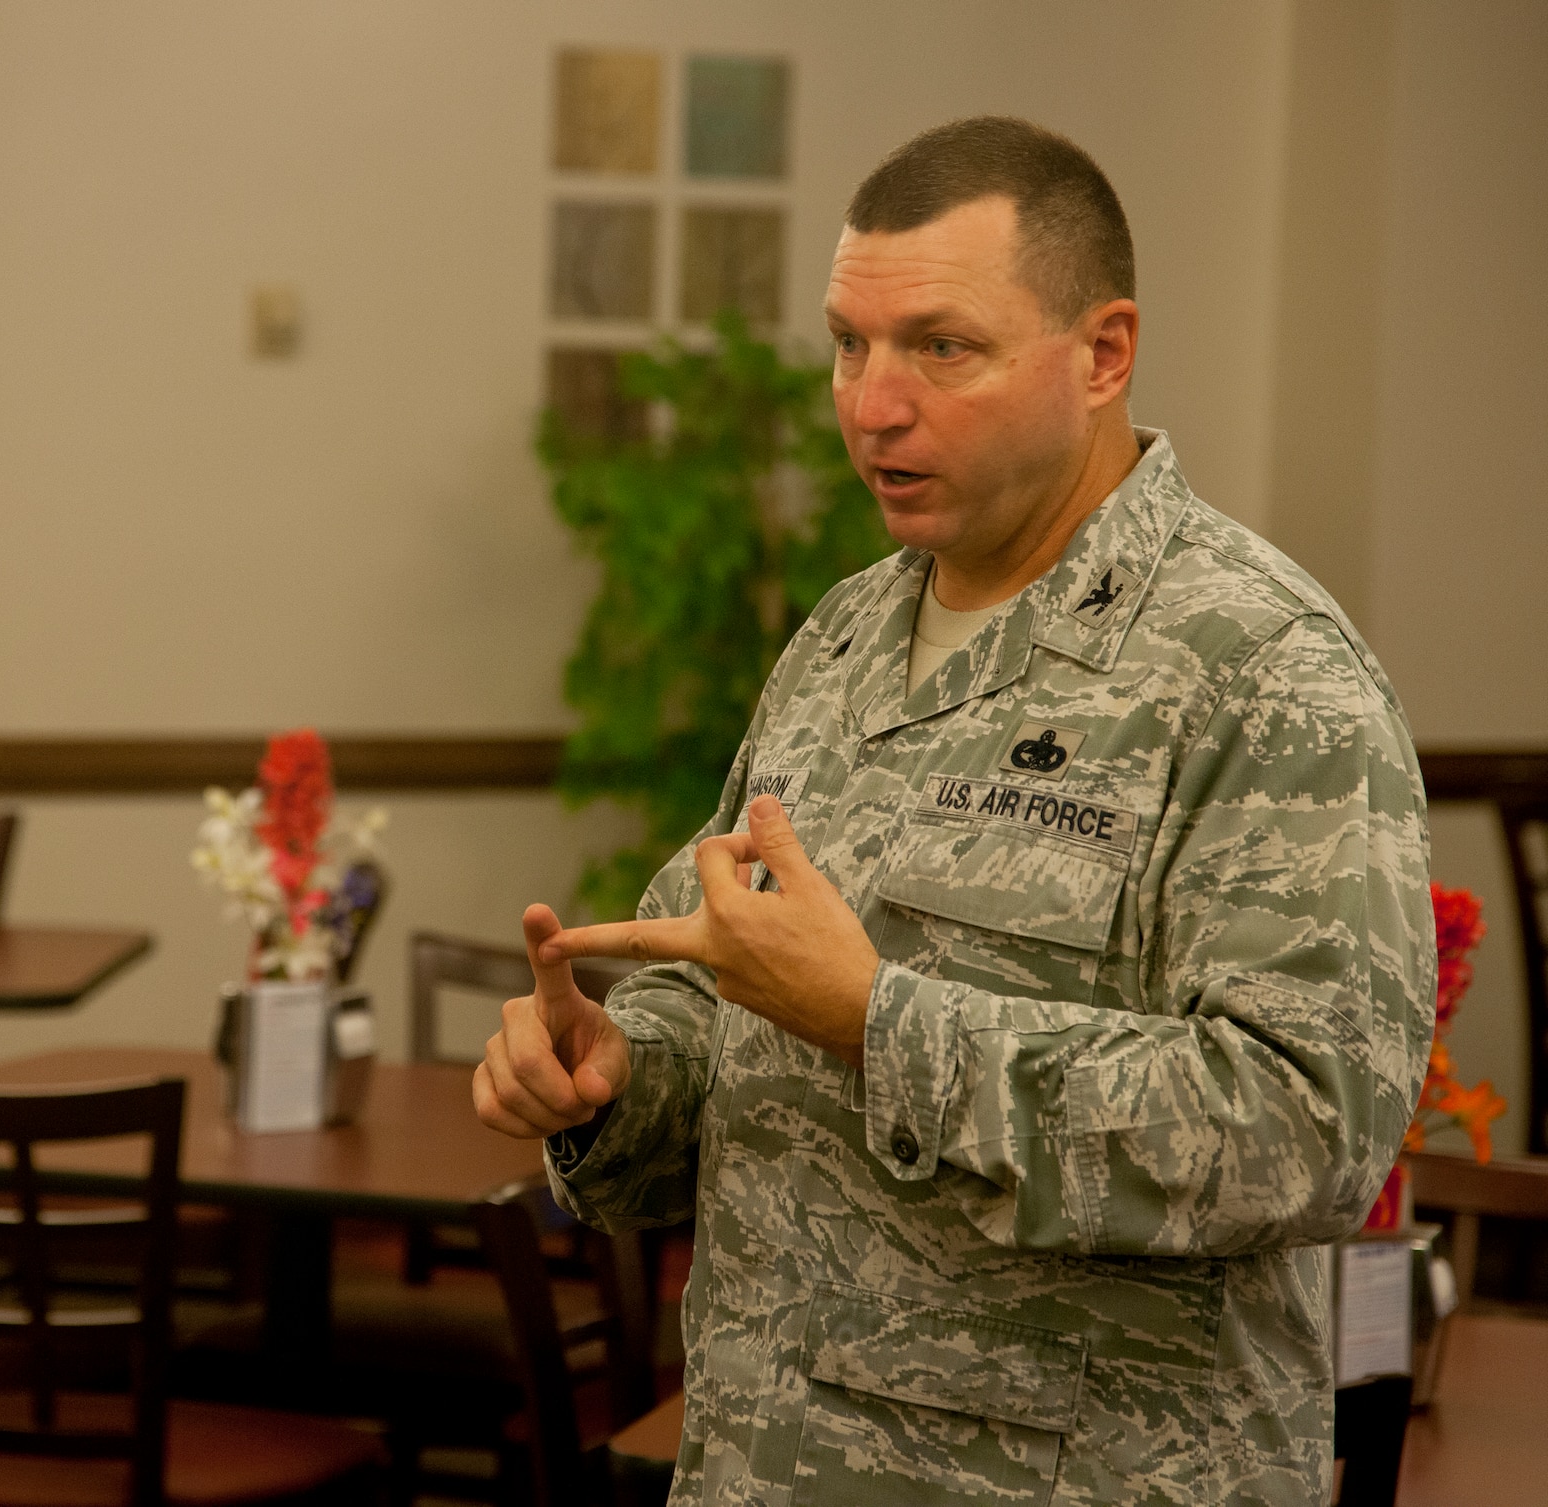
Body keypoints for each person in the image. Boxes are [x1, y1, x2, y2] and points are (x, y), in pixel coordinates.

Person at [474, 116, 1433, 1506]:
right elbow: (724, 984)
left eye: (942, 347)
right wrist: (614, 1078)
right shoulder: (846, 635)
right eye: (848, 346)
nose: (872, 403)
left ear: (1103, 354)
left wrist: (882, 1022)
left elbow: (1306, 1135)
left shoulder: (1264, 672)